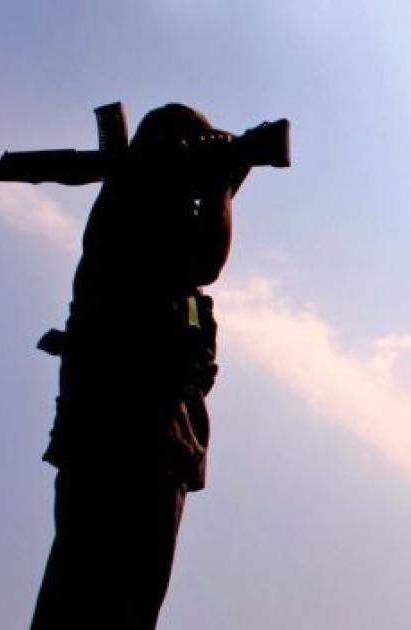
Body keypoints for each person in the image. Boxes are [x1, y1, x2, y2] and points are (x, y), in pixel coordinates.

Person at [30, 104, 250, 630]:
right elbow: (205, 258)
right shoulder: (135, 201)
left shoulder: (139, 208)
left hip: (140, 432)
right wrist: (221, 185)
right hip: (132, 430)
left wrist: (225, 180)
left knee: (109, 596)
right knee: (106, 594)